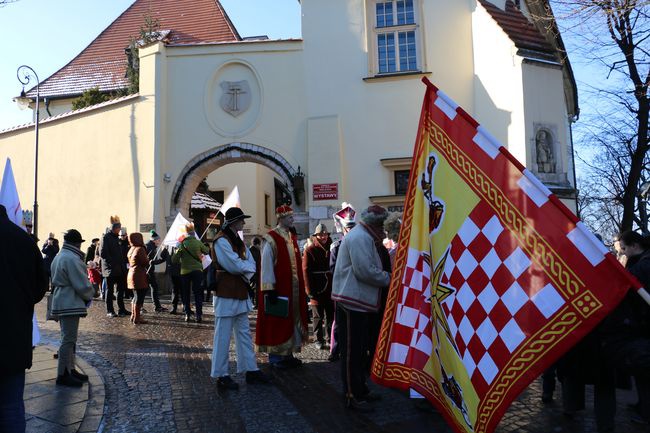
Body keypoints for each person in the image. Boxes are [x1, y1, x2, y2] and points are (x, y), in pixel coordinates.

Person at [332, 205, 391, 411]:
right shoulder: (360, 238)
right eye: (381, 226)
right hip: (352, 301)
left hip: (357, 301)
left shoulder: (364, 236)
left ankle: (360, 389)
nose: (383, 231)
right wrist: (390, 279)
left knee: (358, 350)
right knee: (351, 352)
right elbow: (365, 271)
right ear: (374, 225)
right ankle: (351, 394)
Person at [210, 208, 270, 389]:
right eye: (241, 220)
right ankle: (221, 374)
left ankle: (251, 369)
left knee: (244, 333)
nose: (244, 223)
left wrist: (244, 268)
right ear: (233, 221)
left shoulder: (239, 241)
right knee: (223, 335)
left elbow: (251, 263)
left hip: (240, 291)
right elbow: (234, 265)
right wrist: (245, 268)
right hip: (226, 291)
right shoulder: (221, 240)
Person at [0, 205, 48, 432]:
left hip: (13, 338)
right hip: (13, 339)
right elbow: (40, 288)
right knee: (11, 408)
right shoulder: (25, 241)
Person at [600, 230, 650, 427]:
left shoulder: (642, 267)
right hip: (640, 329)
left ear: (635, 246)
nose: (623, 254)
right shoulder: (641, 263)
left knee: (645, 376)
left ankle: (646, 412)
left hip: (641, 330)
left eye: (624, 249)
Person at [256, 205, 308, 369]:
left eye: (292, 217)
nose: (292, 219)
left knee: (291, 321)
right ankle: (276, 357)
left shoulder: (291, 237)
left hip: (293, 289)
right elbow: (266, 264)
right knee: (277, 321)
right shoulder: (271, 238)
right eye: (289, 217)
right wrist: (269, 287)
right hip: (278, 289)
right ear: (281, 218)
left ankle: (288, 353)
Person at [50, 229, 95, 387]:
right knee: (68, 340)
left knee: (68, 339)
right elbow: (81, 283)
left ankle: (70, 369)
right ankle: (62, 374)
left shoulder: (60, 255)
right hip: (69, 300)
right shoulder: (71, 258)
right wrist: (91, 292)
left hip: (62, 299)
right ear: (77, 243)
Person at [329, 204, 357, 362]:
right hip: (341, 288)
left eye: (353, 227)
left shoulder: (360, 243)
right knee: (339, 322)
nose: (350, 230)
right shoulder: (336, 246)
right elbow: (333, 269)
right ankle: (335, 349)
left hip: (357, 288)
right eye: (348, 227)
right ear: (343, 228)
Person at [302, 223, 333, 350]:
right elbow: (305, 270)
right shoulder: (310, 250)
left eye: (325, 234)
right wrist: (309, 290)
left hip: (330, 287)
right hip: (316, 287)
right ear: (316, 236)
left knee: (330, 315)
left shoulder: (333, 248)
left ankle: (330, 338)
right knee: (317, 316)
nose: (324, 237)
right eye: (321, 235)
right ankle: (318, 339)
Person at [172, 223, 210, 323]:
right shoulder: (198, 242)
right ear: (194, 233)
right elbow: (206, 251)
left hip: (185, 272)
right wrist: (200, 252)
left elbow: (174, 260)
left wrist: (178, 251)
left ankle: (187, 314)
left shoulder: (182, 244)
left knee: (186, 294)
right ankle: (198, 315)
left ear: (186, 234)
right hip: (198, 271)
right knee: (198, 293)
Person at [100, 216, 129, 317]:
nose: (119, 230)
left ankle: (121, 309)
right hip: (110, 269)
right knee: (110, 290)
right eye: (118, 228)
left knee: (120, 290)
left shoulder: (118, 238)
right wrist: (113, 263)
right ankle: (110, 310)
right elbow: (103, 253)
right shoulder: (105, 237)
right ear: (114, 228)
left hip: (120, 269)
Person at [127, 232, 150, 325]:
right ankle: (137, 318)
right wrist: (148, 260)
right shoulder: (140, 249)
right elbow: (145, 262)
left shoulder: (131, 249)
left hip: (132, 273)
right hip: (139, 275)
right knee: (139, 297)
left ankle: (133, 316)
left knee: (135, 296)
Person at [145, 231, 168, 312]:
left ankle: (157, 306)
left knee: (153, 287)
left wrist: (162, 259)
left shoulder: (152, 247)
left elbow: (153, 261)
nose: (159, 241)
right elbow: (146, 260)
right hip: (147, 272)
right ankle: (138, 306)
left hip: (150, 271)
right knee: (144, 289)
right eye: (158, 240)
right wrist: (150, 263)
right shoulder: (149, 247)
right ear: (154, 240)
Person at [248, 237, 262, 307]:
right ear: (257, 244)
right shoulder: (257, 251)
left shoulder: (248, 251)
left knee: (251, 288)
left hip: (250, 272)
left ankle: (252, 302)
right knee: (256, 288)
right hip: (256, 272)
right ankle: (256, 303)